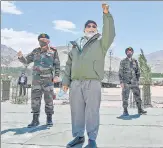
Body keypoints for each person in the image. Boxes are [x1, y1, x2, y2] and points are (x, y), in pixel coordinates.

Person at [62, 3, 115, 148]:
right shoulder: (75, 45)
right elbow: (68, 65)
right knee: (76, 111)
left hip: (93, 82)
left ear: (96, 29)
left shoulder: (101, 43)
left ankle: (92, 139)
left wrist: (106, 15)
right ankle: (79, 136)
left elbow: (110, 33)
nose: (91, 28)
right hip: (75, 83)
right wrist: (66, 81)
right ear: (84, 29)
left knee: (92, 111)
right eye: (88, 26)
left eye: (94, 26)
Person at [17, 33, 60, 127]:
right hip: (36, 79)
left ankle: (49, 119)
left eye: (44, 40)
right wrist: (20, 57)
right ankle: (35, 120)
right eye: (40, 40)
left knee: (49, 99)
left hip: (48, 79)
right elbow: (26, 61)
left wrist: (57, 75)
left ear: (48, 41)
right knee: (35, 99)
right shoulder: (35, 51)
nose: (42, 42)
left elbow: (57, 65)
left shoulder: (53, 51)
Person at [119, 47, 147, 116]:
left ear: (132, 53)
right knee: (125, 97)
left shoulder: (135, 61)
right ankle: (125, 111)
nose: (129, 53)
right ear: (126, 53)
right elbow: (120, 72)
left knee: (137, 96)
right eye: (128, 52)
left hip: (134, 82)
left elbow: (138, 71)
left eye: (130, 51)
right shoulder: (123, 61)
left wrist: (137, 80)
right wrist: (121, 82)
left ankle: (140, 110)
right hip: (126, 82)